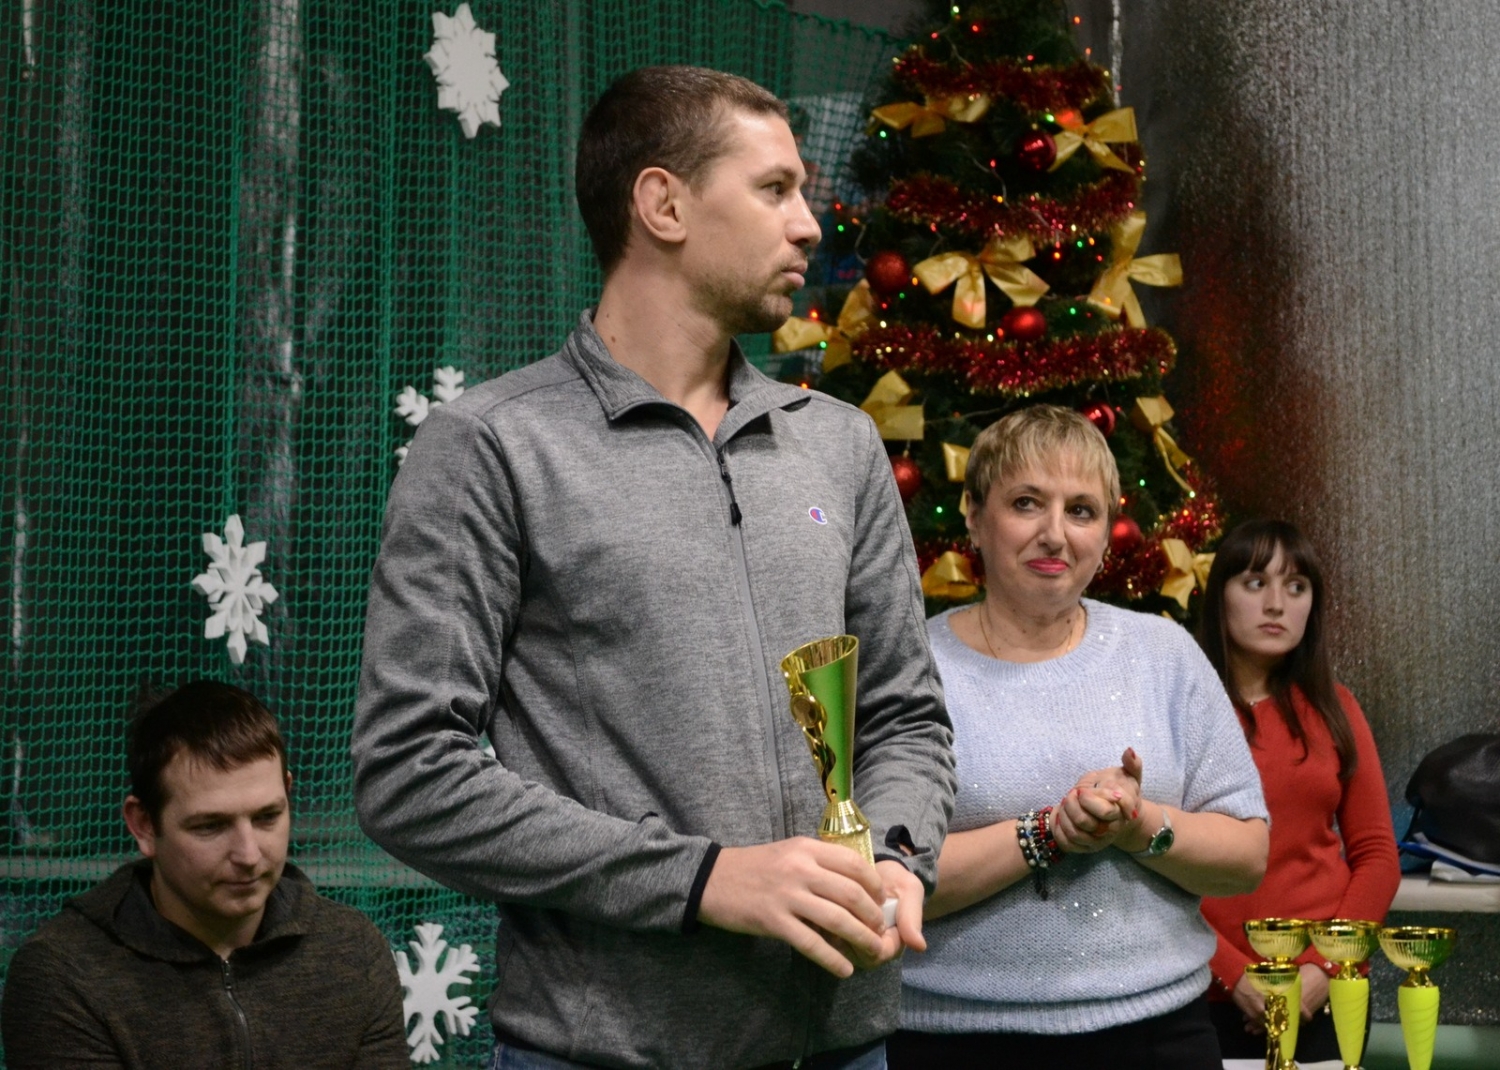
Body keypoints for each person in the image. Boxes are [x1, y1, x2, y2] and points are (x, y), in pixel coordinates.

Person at [352, 65, 956, 1070]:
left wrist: (894, 852)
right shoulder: (495, 446)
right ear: (663, 205)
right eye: (774, 189)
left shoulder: (839, 443)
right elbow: (410, 770)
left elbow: (903, 713)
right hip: (605, 1052)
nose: (809, 225)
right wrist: (702, 878)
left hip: (843, 1046)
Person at [886, 405, 1269, 1070]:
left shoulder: (1163, 653)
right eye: (1026, 503)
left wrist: (1136, 825)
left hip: (1158, 1039)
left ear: (1106, 531)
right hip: (954, 1044)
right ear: (973, 515)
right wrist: (1044, 834)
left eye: (1082, 511)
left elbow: (1247, 856)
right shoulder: (912, 668)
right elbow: (878, 880)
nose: (1055, 534)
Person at [0, 681, 408, 1069]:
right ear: (144, 825)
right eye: (210, 826)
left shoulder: (353, 950)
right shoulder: (65, 975)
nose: (248, 855)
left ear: (288, 793)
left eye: (267, 817)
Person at [1197, 519, 1400, 1062]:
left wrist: (1323, 968)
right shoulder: (1182, 712)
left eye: (1296, 586)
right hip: (1201, 994)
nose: (1276, 604)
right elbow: (1152, 865)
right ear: (1220, 596)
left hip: (1325, 996)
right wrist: (1235, 976)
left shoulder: (1337, 708)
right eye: (1255, 582)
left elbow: (1377, 857)